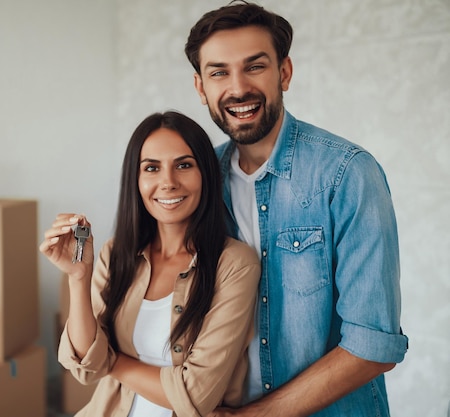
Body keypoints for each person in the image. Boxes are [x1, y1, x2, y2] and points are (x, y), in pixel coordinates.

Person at [183, 2, 408, 416]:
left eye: (255, 66)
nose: (237, 88)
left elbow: (374, 346)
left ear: (284, 72)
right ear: (201, 88)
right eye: (219, 72)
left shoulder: (348, 173)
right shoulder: (197, 182)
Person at [40, 111, 261, 416]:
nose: (168, 182)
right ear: (137, 179)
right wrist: (78, 277)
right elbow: (84, 367)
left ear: (205, 174)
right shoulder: (116, 253)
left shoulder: (235, 265)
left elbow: (195, 396)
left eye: (183, 165)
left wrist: (110, 360)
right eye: (152, 168)